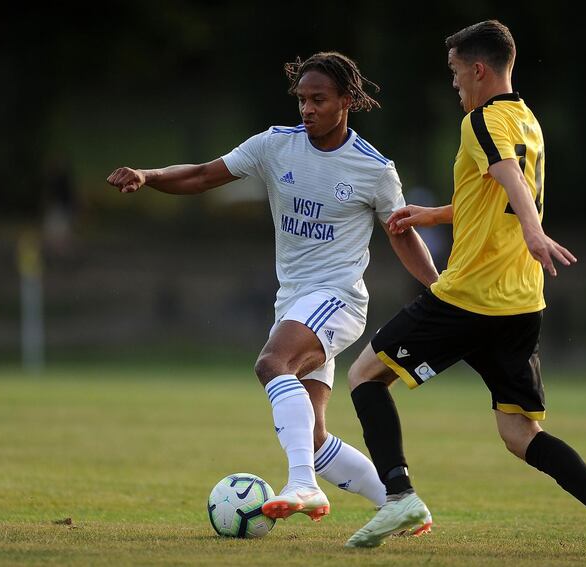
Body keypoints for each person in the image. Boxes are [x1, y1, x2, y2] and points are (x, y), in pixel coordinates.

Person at [343, 21, 586, 556]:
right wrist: (433, 215)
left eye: (457, 73)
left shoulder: (480, 120)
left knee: (365, 374)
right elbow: (495, 194)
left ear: (479, 70)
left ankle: (399, 495)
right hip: (521, 303)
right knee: (517, 433)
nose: (455, 83)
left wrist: (533, 232)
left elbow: (506, 176)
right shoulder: (528, 120)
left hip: (470, 297)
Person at [106, 52, 439, 524]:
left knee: (271, 362)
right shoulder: (275, 145)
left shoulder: (374, 169)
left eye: (318, 99)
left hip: (338, 299)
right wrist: (148, 175)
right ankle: (400, 505)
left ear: (346, 101)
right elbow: (204, 174)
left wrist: (439, 288)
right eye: (301, 99)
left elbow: (402, 236)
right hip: (295, 301)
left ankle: (302, 485)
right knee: (316, 436)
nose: (306, 109)